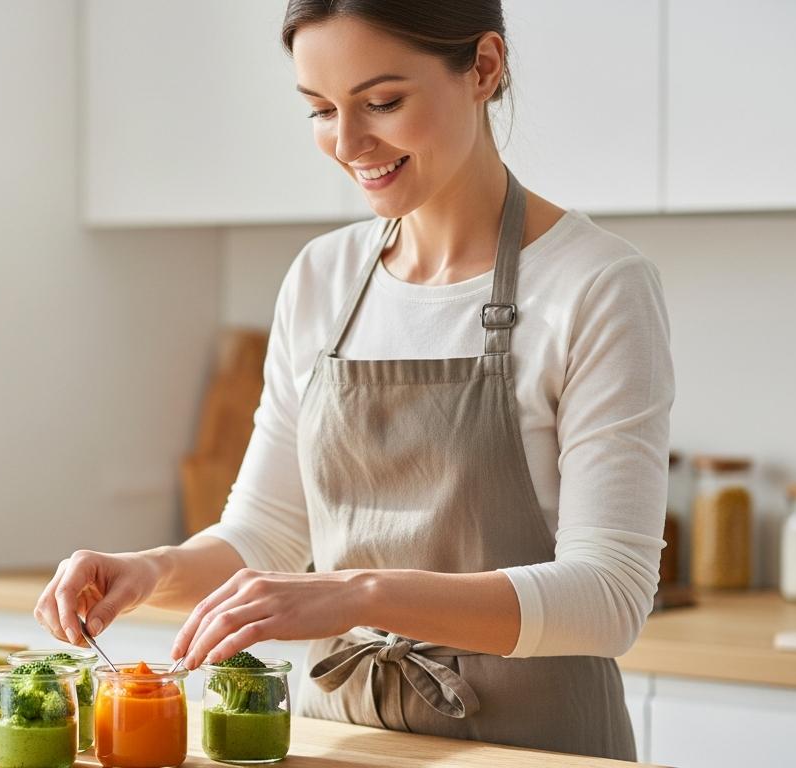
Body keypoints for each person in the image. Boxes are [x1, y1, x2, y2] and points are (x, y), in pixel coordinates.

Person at [34, 1, 672, 759]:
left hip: (533, 751)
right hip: (335, 739)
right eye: (320, 110)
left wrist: (356, 593)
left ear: (484, 68)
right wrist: (147, 572)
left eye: (383, 103)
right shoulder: (322, 278)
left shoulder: (597, 285)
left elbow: (609, 597)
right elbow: (266, 534)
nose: (348, 143)